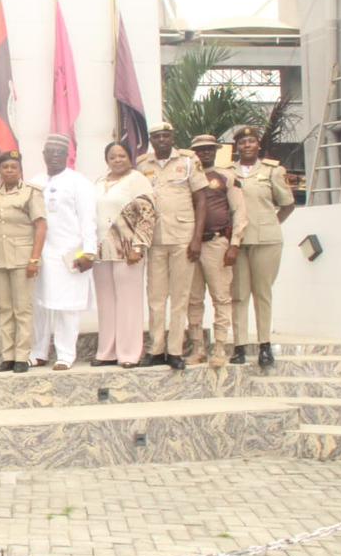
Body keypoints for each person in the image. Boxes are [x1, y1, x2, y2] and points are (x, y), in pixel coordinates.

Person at [135, 122, 207, 371]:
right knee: (155, 297)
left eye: (166, 136)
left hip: (182, 238)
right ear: (151, 140)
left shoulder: (188, 161)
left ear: (173, 137)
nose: (162, 140)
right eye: (157, 137)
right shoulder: (143, 165)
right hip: (154, 240)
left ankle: (175, 350)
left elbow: (201, 200)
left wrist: (197, 238)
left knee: (180, 297)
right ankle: (156, 349)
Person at [28, 134, 96, 371]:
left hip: (70, 255)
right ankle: (38, 352)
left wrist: (89, 252)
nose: (54, 156)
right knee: (40, 306)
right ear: (44, 155)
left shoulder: (80, 183)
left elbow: (89, 221)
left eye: (59, 153)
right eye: (50, 152)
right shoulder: (34, 182)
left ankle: (65, 356)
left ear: (67, 156)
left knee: (67, 307)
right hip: (41, 255)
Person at [229, 125, 295, 366]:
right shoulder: (228, 172)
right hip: (238, 241)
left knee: (262, 293)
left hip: (266, 240)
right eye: (242, 142)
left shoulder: (272, 171)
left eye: (251, 141)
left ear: (258, 145)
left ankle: (265, 344)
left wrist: (271, 223)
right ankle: (239, 345)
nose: (247, 145)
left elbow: (287, 203)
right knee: (238, 294)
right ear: (236, 147)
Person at [0, 150, 46, 373]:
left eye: (13, 167)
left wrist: (34, 258)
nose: (9, 170)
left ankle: (22, 357)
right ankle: (7, 356)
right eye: (5, 167)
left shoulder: (31, 193)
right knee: (4, 308)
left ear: (20, 170)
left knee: (22, 309)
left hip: (23, 259)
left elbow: (41, 226)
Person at [185, 134, 248, 368]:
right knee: (193, 298)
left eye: (209, 149)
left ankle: (220, 346)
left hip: (217, 242)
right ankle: (198, 347)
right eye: (200, 150)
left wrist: (235, 244)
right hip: (191, 244)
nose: (205, 154)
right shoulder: (186, 176)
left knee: (221, 297)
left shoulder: (226, 177)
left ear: (215, 151)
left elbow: (239, 211)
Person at [93, 142, 156, 368]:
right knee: (106, 302)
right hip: (102, 250)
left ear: (130, 157)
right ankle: (107, 351)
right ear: (106, 159)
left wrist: (139, 246)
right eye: (112, 156)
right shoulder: (99, 182)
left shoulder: (137, 179)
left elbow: (148, 214)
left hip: (128, 248)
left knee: (128, 302)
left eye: (122, 155)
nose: (117, 159)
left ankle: (129, 353)